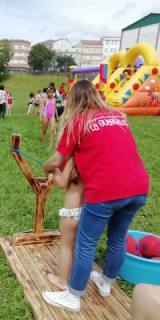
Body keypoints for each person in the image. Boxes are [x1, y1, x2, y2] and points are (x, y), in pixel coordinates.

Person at [42, 80, 149, 313]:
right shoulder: (119, 116)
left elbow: (57, 160)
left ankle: (72, 295)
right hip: (139, 187)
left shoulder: (77, 122)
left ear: (72, 101)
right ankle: (106, 282)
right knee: (118, 239)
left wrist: (45, 168)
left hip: (106, 190)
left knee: (86, 243)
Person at [47, 157, 83, 290]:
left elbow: (62, 183)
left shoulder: (73, 159)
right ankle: (72, 275)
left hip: (71, 213)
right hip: (85, 211)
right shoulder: (91, 159)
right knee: (76, 246)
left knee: (66, 246)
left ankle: (62, 281)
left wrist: (55, 172)